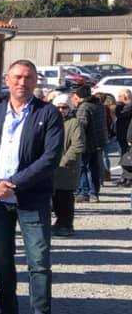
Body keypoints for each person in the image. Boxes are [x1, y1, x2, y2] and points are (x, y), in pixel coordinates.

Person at [0, 59, 63, 314]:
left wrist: (12, 183)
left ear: (36, 80)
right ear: (7, 79)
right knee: (2, 260)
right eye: (17, 77)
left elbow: (50, 158)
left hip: (31, 199)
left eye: (28, 77)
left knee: (38, 263)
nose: (22, 82)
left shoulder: (48, 114)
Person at [51, 93, 84, 237]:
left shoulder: (74, 123)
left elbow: (78, 145)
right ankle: (59, 222)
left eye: (64, 107)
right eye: (58, 107)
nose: (61, 110)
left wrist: (64, 162)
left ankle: (66, 225)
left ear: (69, 108)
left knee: (65, 198)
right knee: (55, 198)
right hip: (51, 168)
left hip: (67, 169)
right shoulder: (50, 122)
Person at [74, 85, 107, 203]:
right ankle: (95, 193)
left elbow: (81, 125)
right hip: (99, 141)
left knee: (82, 167)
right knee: (95, 168)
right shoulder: (100, 105)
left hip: (87, 142)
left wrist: (77, 141)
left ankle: (84, 192)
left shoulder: (84, 107)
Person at [116, 89, 132, 187]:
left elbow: (121, 115)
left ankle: (128, 178)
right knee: (124, 157)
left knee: (128, 157)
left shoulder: (128, 107)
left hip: (127, 135)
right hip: (123, 134)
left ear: (125, 97)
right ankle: (125, 177)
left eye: (119, 97)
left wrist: (119, 104)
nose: (118, 99)